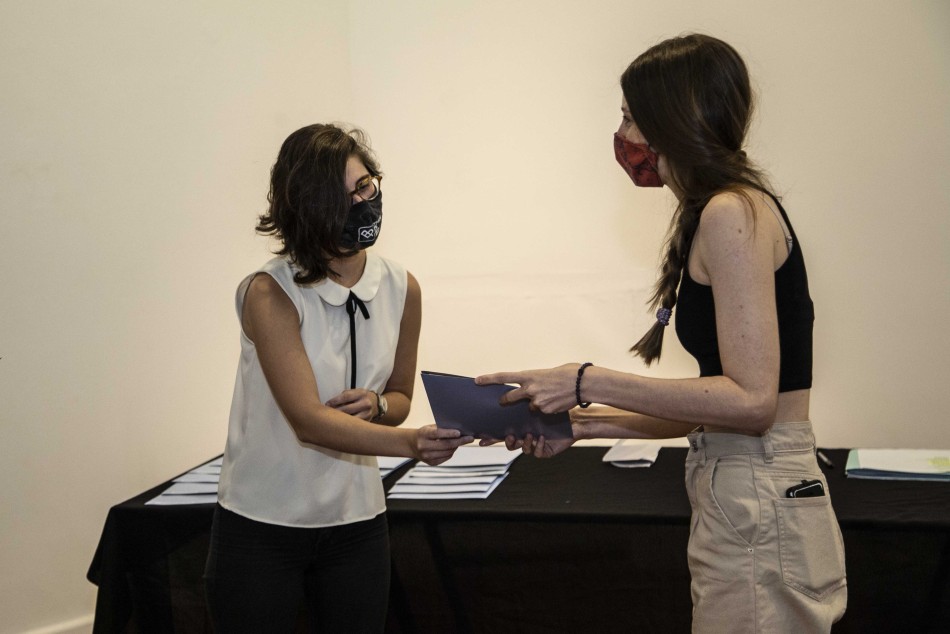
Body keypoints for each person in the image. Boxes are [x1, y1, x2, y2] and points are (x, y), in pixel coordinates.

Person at [476, 34, 846, 632]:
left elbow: (751, 403)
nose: (622, 135)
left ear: (672, 119)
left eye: (629, 116)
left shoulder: (732, 212)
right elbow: (720, 404)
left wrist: (584, 380)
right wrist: (583, 423)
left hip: (758, 493)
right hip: (751, 490)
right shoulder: (723, 209)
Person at [204, 123, 472, 632]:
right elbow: (308, 421)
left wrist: (380, 405)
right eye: (341, 196)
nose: (361, 203)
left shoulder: (401, 286)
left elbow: (400, 397)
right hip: (263, 524)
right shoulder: (270, 292)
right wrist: (414, 445)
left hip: (357, 521)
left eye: (365, 186)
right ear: (303, 206)